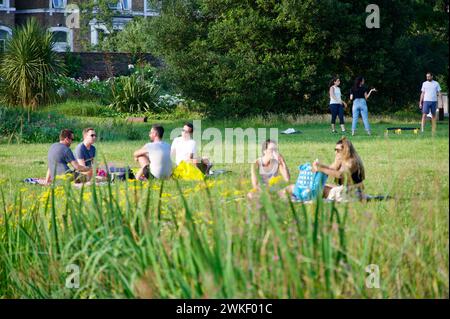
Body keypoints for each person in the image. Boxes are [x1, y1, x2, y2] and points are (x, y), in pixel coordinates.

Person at [312, 137, 365, 201]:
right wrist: (319, 165)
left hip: (353, 191)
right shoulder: (341, 158)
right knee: (320, 186)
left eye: (338, 150)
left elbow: (340, 175)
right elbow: (332, 168)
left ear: (346, 150)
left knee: (321, 189)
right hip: (344, 188)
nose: (336, 152)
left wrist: (320, 169)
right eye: (335, 150)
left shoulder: (352, 162)